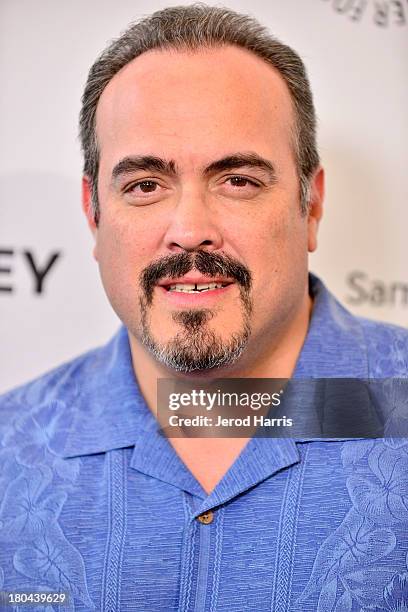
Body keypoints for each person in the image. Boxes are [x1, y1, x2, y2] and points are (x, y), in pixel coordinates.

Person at [0, 4, 407, 611]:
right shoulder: (10, 449)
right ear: (93, 214)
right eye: (144, 185)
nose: (189, 230)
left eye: (237, 179)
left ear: (311, 206)